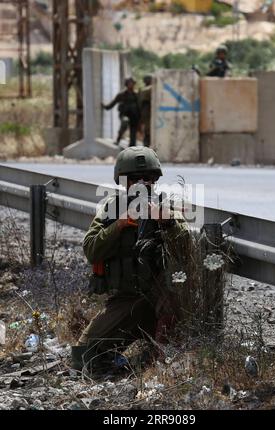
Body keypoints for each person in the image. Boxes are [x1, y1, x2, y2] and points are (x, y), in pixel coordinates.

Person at [71, 147, 188, 374]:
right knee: (82, 357)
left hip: (161, 298)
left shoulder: (166, 206)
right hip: (127, 299)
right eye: (134, 179)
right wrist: (120, 225)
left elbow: (186, 247)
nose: (142, 183)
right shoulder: (111, 209)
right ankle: (136, 361)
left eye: (148, 178)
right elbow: (91, 250)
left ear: (155, 180)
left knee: (171, 351)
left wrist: (167, 223)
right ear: (123, 182)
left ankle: (159, 362)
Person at [101, 77, 140, 147]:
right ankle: (118, 140)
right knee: (124, 122)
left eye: (132, 84)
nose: (131, 85)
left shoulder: (136, 95)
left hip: (134, 115)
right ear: (126, 84)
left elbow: (140, 106)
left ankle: (132, 146)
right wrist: (105, 107)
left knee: (133, 130)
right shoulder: (122, 95)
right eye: (129, 83)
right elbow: (113, 103)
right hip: (124, 114)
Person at [139, 75, 153, 148]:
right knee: (148, 130)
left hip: (147, 112)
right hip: (147, 112)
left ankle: (147, 145)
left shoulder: (145, 90)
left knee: (148, 130)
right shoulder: (147, 90)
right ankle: (146, 145)